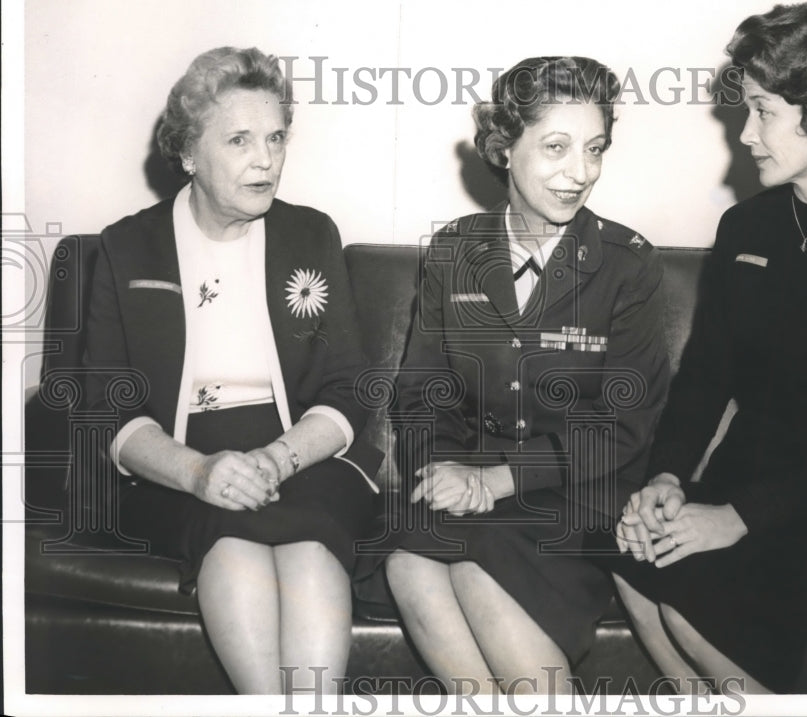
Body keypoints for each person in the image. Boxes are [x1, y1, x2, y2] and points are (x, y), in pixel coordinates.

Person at [613, 2, 807, 693]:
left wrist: (735, 519)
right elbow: (704, 375)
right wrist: (667, 476)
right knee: (626, 550)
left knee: (690, 595)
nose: (747, 134)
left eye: (763, 111)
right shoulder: (746, 226)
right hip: (750, 479)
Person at [83, 47, 382, 694]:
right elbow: (108, 407)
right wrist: (198, 472)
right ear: (188, 152)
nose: (266, 158)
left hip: (302, 454)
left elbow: (349, 390)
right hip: (175, 461)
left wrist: (277, 458)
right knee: (236, 548)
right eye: (240, 139)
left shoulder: (310, 235)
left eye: (276, 137)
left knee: (310, 550)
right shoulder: (126, 246)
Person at [381, 56, 670, 693]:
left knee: (479, 575)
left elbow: (625, 426)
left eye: (595, 149)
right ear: (505, 148)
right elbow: (423, 393)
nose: (581, 173)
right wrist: (444, 472)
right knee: (408, 566)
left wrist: (500, 479)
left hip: (578, 496)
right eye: (557, 147)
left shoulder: (629, 265)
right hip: (472, 483)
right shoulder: (456, 250)